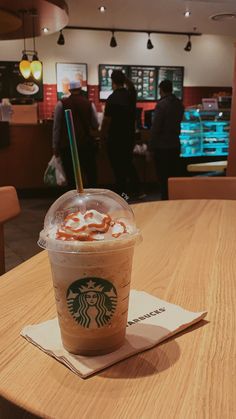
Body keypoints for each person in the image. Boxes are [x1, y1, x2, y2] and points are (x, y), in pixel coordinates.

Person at [100, 70, 141, 197]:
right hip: (129, 137)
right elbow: (133, 88)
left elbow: (107, 120)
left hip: (115, 138)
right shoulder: (130, 96)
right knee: (127, 163)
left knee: (118, 168)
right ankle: (138, 191)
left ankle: (122, 194)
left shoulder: (112, 99)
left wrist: (102, 136)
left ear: (112, 82)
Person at [52, 80, 99, 188]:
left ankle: (74, 201)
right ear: (80, 89)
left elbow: (56, 127)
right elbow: (95, 124)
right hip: (86, 145)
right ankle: (92, 200)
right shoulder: (89, 104)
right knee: (90, 175)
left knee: (71, 177)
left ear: (69, 90)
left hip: (67, 147)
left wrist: (55, 146)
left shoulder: (61, 104)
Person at [149, 79, 184, 200]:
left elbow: (156, 128)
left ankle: (165, 200)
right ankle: (174, 199)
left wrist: (150, 148)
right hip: (175, 145)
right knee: (173, 176)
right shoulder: (179, 103)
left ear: (161, 90)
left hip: (162, 147)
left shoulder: (161, 105)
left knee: (163, 177)